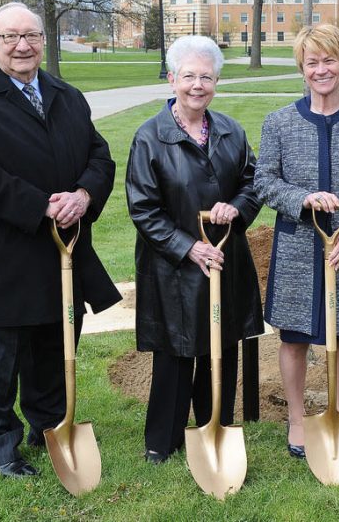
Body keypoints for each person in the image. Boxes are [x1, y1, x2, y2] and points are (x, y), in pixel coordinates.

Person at [0, 2, 121, 478]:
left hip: (62, 249)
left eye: (32, 36)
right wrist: (42, 204)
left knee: (54, 339)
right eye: (11, 37)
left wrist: (83, 195)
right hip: (2, 253)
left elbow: (100, 157)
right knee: (0, 355)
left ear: (44, 40)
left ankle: (50, 424)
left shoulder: (67, 95)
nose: (23, 45)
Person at [125, 35, 264, 464]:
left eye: (206, 76)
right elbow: (143, 208)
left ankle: (215, 428)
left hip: (225, 259)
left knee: (220, 347)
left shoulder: (230, 131)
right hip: (173, 267)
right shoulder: (150, 137)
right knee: (176, 351)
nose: (197, 85)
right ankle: (162, 442)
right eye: (188, 76)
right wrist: (189, 249)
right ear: (172, 80)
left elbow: (251, 183)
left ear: (216, 82)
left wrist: (235, 208)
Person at [254, 24, 339, 458]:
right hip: (297, 250)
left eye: (329, 60)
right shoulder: (279, 122)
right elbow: (265, 182)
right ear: (301, 68)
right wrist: (303, 198)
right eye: (312, 62)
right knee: (293, 338)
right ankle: (297, 417)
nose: (321, 70)